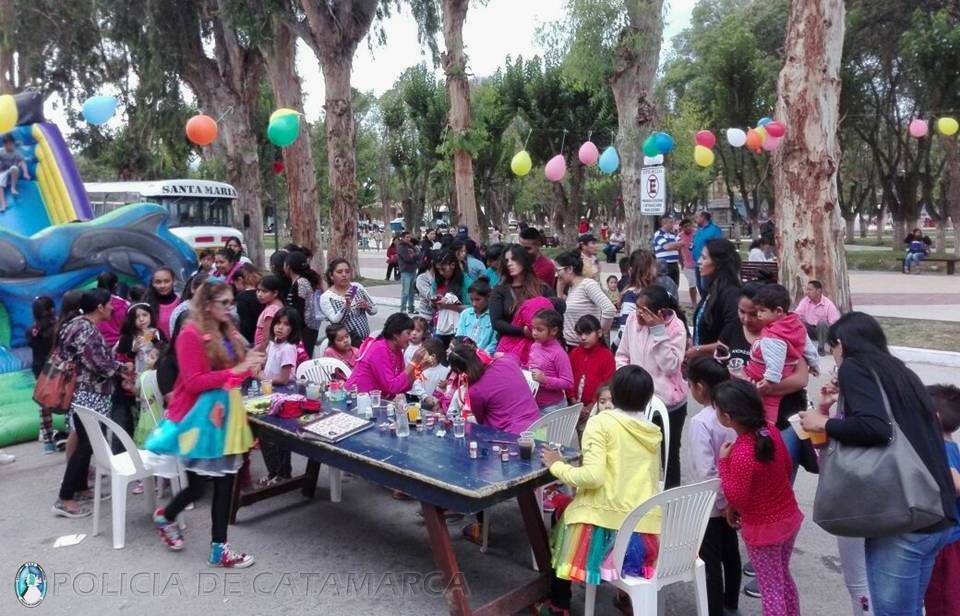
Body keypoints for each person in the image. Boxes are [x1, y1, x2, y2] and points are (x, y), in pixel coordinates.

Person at [800, 313, 955, 615]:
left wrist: (822, 422)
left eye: (832, 349)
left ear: (841, 343)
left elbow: (876, 428)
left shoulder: (854, 367)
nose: (834, 358)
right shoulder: (900, 372)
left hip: (900, 517)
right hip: (932, 510)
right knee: (911, 609)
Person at [151, 280, 264, 567]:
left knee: (225, 482)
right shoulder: (190, 334)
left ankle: (218, 548)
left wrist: (249, 365)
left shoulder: (227, 329)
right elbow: (193, 382)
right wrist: (236, 370)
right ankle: (166, 516)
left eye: (231, 302)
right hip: (200, 418)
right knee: (199, 486)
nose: (230, 308)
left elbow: (234, 374)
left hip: (227, 414)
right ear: (206, 304)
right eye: (224, 303)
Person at [536, 365, 663, 616]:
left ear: (614, 394)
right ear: (648, 398)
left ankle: (559, 605)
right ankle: (627, 596)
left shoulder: (600, 422)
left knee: (562, 518)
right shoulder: (651, 430)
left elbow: (592, 477)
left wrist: (557, 465)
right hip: (643, 527)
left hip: (604, 523)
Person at [716, 380, 803, 616]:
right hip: (789, 517)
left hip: (764, 530)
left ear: (727, 417)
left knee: (770, 589)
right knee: (782, 576)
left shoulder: (742, 452)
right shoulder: (769, 431)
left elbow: (737, 496)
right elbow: (786, 467)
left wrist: (723, 462)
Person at [52, 289, 127, 518]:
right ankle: (65, 498)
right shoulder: (86, 330)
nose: (113, 308)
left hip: (81, 393)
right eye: (109, 304)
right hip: (89, 394)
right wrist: (122, 369)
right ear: (100, 307)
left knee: (88, 443)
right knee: (86, 445)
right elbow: (98, 364)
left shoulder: (75, 324)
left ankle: (81, 487)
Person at [615, 285, 688, 488]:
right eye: (637, 308)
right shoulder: (632, 320)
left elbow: (671, 366)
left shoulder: (676, 328)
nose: (638, 314)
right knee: (638, 452)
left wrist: (658, 332)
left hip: (669, 403)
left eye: (644, 311)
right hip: (636, 400)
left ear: (660, 313)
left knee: (669, 454)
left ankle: (671, 497)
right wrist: (627, 380)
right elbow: (622, 354)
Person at [687, 357, 740, 616]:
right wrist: (729, 501)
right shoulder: (732, 415)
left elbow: (705, 471)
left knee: (710, 561)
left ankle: (715, 610)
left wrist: (720, 503)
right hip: (731, 498)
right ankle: (731, 603)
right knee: (730, 554)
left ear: (699, 387)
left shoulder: (701, 421)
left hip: (711, 505)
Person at [742, 284, 819, 425]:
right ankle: (769, 427)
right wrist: (813, 363)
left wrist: (769, 380)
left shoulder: (773, 335)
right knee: (772, 406)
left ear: (778, 311)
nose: (758, 315)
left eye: (762, 311)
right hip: (785, 374)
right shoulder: (796, 324)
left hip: (762, 376)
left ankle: (766, 429)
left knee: (765, 407)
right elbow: (807, 345)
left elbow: (775, 361)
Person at [443, 343, 540, 433]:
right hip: (538, 425)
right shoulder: (507, 361)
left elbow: (480, 420)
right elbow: (514, 357)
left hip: (510, 435)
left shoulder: (474, 391)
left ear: (459, 371)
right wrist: (494, 355)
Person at [924, 384, 960, 616]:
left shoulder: (940, 449)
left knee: (943, 603)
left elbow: (955, 484)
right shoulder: (950, 446)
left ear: (933, 418)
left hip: (947, 543)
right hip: (952, 539)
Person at [256, 308, 302, 487]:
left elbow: (283, 379)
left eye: (286, 324)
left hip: (283, 398)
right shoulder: (273, 343)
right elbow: (267, 363)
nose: (280, 327)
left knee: (277, 438)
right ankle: (275, 472)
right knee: (266, 437)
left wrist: (262, 377)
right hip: (270, 394)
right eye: (278, 323)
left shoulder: (288, 348)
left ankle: (282, 473)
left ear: (293, 329)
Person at [491, 245, 558, 366]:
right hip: (509, 348)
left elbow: (554, 314)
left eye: (513, 259)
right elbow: (496, 322)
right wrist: (523, 331)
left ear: (524, 260)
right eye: (507, 260)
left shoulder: (542, 288)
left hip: (540, 349)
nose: (510, 264)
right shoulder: (499, 290)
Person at [345, 313, 433, 397]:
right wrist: (413, 363)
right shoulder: (379, 349)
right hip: (356, 398)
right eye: (408, 333)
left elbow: (401, 386)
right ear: (396, 334)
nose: (410, 337)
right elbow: (392, 387)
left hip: (375, 399)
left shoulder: (397, 351)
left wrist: (419, 369)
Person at [688, 239, 741, 361]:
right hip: (701, 363)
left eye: (704, 258)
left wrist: (697, 350)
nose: (699, 261)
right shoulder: (712, 289)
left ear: (718, 263)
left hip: (717, 366)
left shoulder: (731, 295)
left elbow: (728, 341)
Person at [554, 251, 616, 348]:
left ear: (569, 269)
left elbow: (609, 309)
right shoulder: (571, 288)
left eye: (558, 270)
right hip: (572, 346)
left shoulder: (588, 285)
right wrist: (559, 291)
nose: (556, 275)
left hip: (588, 347)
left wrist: (598, 333)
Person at [616, 249, 678, 345]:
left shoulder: (631, 296)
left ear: (630, 271)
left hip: (639, 348)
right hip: (660, 344)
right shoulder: (663, 293)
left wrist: (614, 347)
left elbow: (624, 333)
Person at [566, 315, 616, 420]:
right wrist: (573, 400)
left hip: (597, 407)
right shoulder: (574, 353)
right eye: (580, 334)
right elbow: (569, 378)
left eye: (588, 333)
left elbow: (607, 384)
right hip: (573, 405)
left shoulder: (607, 356)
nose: (583, 337)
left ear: (599, 333)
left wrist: (591, 406)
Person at [319, 259, 376, 348]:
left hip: (365, 341)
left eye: (347, 271)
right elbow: (335, 321)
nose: (344, 275)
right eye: (339, 272)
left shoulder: (357, 287)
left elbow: (374, 310)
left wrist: (367, 306)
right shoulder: (327, 297)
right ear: (331, 276)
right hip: (344, 345)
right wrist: (346, 305)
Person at [528, 309, 574, 414]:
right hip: (534, 403)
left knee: (549, 426)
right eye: (533, 328)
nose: (534, 333)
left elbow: (568, 382)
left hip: (552, 407)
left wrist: (545, 380)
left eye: (539, 330)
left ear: (554, 331)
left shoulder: (559, 354)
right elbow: (531, 366)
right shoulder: (534, 346)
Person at [28, 296, 58, 454]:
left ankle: (48, 440)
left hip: (39, 370)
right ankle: (72, 432)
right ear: (52, 309)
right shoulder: (56, 327)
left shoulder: (32, 330)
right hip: (56, 368)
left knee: (44, 404)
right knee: (67, 400)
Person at [430, 249, 473, 348]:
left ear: (453, 265)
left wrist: (450, 306)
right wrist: (434, 302)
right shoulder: (437, 281)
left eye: (443, 269)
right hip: (439, 326)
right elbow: (433, 303)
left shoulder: (466, 282)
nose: (441, 273)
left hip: (459, 329)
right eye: (438, 270)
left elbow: (472, 308)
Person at [284, 251, 322, 353]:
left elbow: (299, 308)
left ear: (288, 266)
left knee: (303, 358)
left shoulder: (301, 282)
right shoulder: (304, 280)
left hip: (305, 330)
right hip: (308, 329)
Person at [793, 280, 841, 355]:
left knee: (822, 323)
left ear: (818, 291)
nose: (807, 292)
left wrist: (834, 341)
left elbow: (835, 323)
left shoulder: (828, 304)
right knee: (797, 322)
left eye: (810, 290)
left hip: (824, 332)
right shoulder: (805, 301)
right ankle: (798, 347)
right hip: (810, 329)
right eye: (807, 290)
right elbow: (797, 314)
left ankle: (821, 347)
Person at [455, 278, 498, 355]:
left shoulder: (494, 316)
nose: (474, 304)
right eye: (471, 300)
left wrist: (481, 354)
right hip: (464, 356)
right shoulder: (465, 314)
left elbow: (493, 343)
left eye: (478, 299)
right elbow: (460, 337)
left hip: (484, 357)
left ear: (488, 297)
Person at [144, 267, 181, 340]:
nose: (162, 285)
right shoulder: (146, 305)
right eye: (158, 282)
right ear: (153, 283)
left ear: (174, 281)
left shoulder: (181, 304)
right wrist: (155, 343)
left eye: (166, 281)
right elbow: (145, 336)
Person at [95, 271, 130, 347]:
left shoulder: (91, 303)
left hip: (99, 346)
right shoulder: (124, 304)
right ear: (115, 285)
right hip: (121, 346)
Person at [693, 211, 723, 294]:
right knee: (699, 286)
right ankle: (704, 301)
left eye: (697, 217)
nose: (695, 219)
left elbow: (719, 245)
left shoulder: (714, 229)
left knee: (706, 287)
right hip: (697, 263)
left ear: (703, 217)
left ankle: (710, 300)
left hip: (707, 263)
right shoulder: (699, 230)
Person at [233, 263, 264, 345]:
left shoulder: (242, 297)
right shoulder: (262, 293)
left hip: (250, 340)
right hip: (262, 336)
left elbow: (244, 324)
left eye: (234, 283)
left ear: (239, 280)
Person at [254, 274, 285, 351]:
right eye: (258, 290)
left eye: (264, 291)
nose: (259, 294)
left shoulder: (271, 310)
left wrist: (260, 353)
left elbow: (266, 338)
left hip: (264, 349)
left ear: (275, 293)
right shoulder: (277, 304)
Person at [0, 134, 29, 212]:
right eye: (6, 144)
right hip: (3, 173)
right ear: (4, 144)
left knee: (14, 168)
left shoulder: (16, 153)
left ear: (13, 144)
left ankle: (13, 188)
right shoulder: (1, 152)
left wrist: (25, 173)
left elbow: (22, 163)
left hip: (12, 174)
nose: (8, 146)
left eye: (10, 144)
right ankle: (3, 204)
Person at [652, 215, 681, 286]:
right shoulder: (658, 234)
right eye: (670, 222)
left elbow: (679, 246)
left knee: (675, 284)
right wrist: (675, 244)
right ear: (664, 223)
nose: (672, 224)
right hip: (664, 264)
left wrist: (673, 245)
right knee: (665, 285)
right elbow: (666, 247)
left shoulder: (672, 234)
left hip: (674, 263)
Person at [678, 218, 699, 306]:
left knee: (701, 285)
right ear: (682, 228)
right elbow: (678, 251)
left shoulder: (697, 234)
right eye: (685, 226)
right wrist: (681, 263)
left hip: (699, 263)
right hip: (688, 265)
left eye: (689, 225)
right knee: (692, 284)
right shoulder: (680, 236)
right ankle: (694, 303)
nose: (688, 228)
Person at [397, 231, 419, 313]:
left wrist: (414, 255)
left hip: (413, 270)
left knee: (411, 291)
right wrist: (414, 256)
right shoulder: (401, 247)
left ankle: (411, 308)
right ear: (402, 238)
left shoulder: (411, 246)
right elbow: (407, 258)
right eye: (407, 237)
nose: (409, 239)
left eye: (410, 237)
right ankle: (403, 309)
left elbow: (419, 254)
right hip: (405, 271)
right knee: (405, 292)